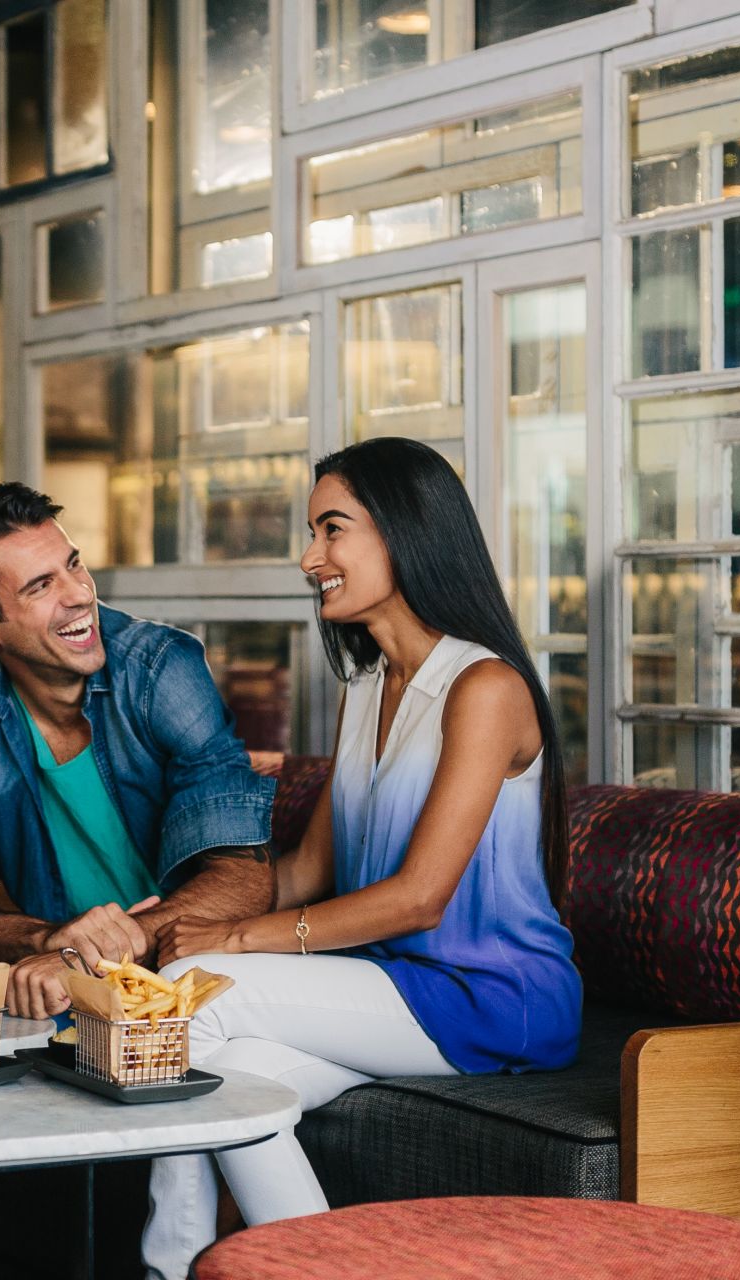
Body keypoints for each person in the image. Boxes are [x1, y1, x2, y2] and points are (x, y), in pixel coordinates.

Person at [141, 436, 582, 1278]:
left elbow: (419, 899)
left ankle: (170, 1269)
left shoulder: (485, 688)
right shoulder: (366, 689)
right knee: (231, 1078)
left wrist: (226, 945)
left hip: (491, 996)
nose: (311, 559)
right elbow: (306, 874)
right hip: (395, 985)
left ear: (405, 530)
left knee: (189, 1005)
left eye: (331, 530)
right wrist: (172, 919)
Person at [0, 482, 277, 1278]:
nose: (78, 595)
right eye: (40, 585)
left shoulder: (163, 668)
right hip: (50, 975)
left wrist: (105, 949)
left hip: (177, 964)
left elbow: (244, 878)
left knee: (214, 1026)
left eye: (73, 565)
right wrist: (47, 941)